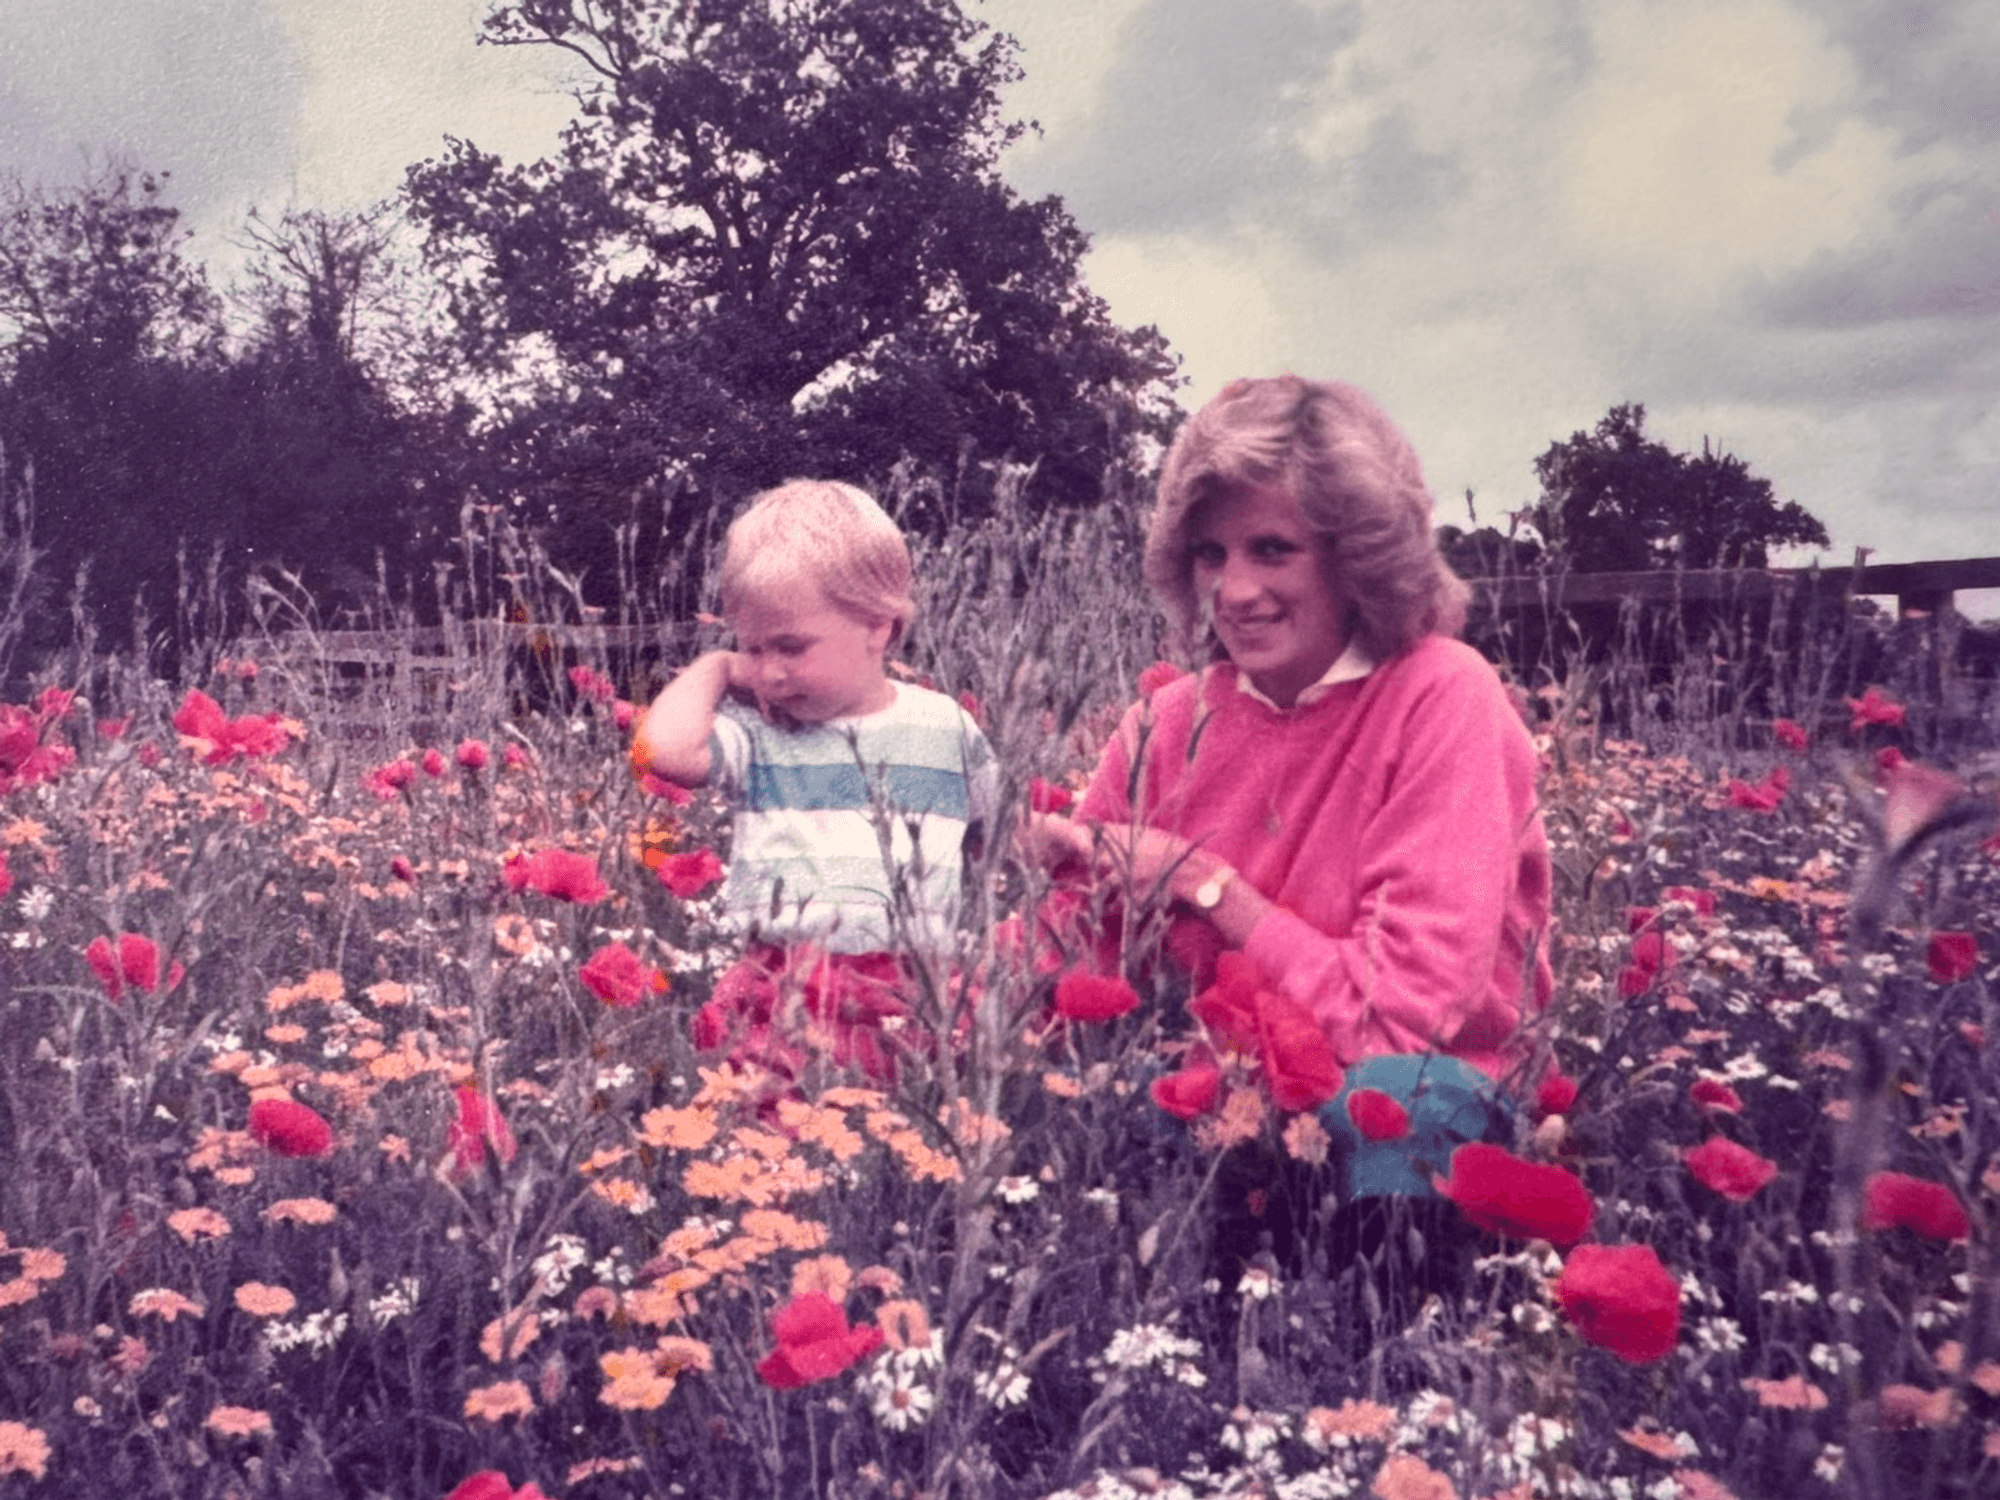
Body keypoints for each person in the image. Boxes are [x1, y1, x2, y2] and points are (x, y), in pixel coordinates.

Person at [1035, 376, 1554, 1329]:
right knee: (1071, 1125)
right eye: (1210, 554)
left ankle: (1397, 1384)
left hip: (1403, 1113)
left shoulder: (1443, 696)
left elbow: (1405, 1024)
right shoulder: (1167, 722)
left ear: (1359, 556)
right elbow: (1062, 969)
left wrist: (1201, 885)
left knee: (1394, 1103)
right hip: (1219, 1108)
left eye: (1273, 549)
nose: (1234, 591)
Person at [634, 479, 996, 1083]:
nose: (769, 672)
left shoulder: (946, 730)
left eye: (791, 646)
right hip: (782, 993)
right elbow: (661, 751)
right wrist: (717, 667)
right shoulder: (760, 735)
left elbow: (995, 842)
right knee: (778, 1154)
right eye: (753, 648)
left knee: (896, 1150)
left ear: (877, 626)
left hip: (908, 994)